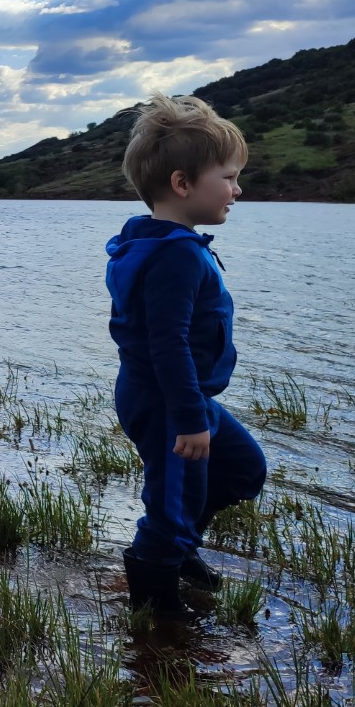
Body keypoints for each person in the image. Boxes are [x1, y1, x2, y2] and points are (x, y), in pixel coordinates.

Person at [105, 93, 267, 619]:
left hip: (182, 397)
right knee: (169, 504)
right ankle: (154, 613)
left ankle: (178, 552)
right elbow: (167, 343)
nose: (237, 190)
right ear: (182, 183)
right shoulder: (173, 254)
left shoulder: (165, 241)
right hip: (171, 402)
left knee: (243, 468)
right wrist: (190, 418)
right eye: (228, 176)